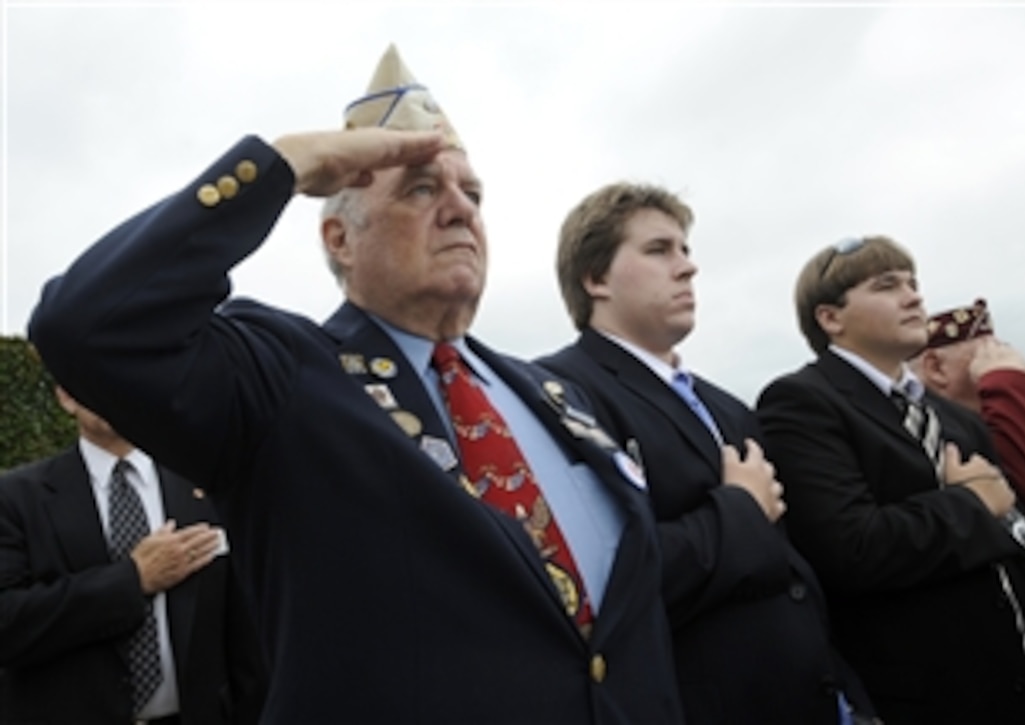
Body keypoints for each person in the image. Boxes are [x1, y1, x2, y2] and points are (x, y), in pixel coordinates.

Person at [28, 45, 683, 724]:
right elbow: (89, 323)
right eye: (422, 188)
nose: (462, 210)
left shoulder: (553, 396)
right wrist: (283, 164)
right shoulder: (287, 373)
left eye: (474, 193)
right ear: (339, 236)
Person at [537, 182, 878, 724]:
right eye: (658, 250)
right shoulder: (557, 395)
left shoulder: (727, 406)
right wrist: (740, 508)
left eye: (686, 250)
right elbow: (603, 582)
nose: (687, 267)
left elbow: (791, 572)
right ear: (595, 278)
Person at [754, 235, 1025, 724]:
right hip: (932, 698)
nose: (913, 297)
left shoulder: (953, 418)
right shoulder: (802, 402)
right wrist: (972, 503)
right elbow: (851, 549)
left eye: (914, 283)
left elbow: (1018, 523)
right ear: (830, 317)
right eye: (887, 286)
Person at [0, 387, 265, 724]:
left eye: (119, 375)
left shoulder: (210, 486)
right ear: (66, 396)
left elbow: (247, 628)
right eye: (93, 375)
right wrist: (133, 579)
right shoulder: (15, 498)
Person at [908, 298, 1025, 560]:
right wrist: (1006, 383)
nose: (1005, 361)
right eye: (987, 352)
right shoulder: (932, 432)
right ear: (936, 368)